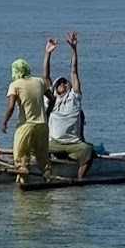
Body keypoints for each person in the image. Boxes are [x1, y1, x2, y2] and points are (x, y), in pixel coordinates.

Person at [43, 31, 94, 179]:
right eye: (59, 83)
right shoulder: (51, 99)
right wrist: (48, 53)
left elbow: (74, 71)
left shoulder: (74, 98)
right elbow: (45, 76)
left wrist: (73, 48)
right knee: (37, 147)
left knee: (87, 150)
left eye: (65, 82)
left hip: (74, 144)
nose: (63, 83)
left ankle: (79, 179)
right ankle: (47, 173)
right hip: (54, 143)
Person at [1, 53, 54, 181]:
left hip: (26, 126)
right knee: (43, 157)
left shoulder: (15, 85)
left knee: (20, 157)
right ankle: (49, 179)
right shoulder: (39, 81)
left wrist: (4, 122)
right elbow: (52, 99)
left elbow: (11, 106)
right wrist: (46, 114)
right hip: (42, 125)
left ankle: (23, 184)